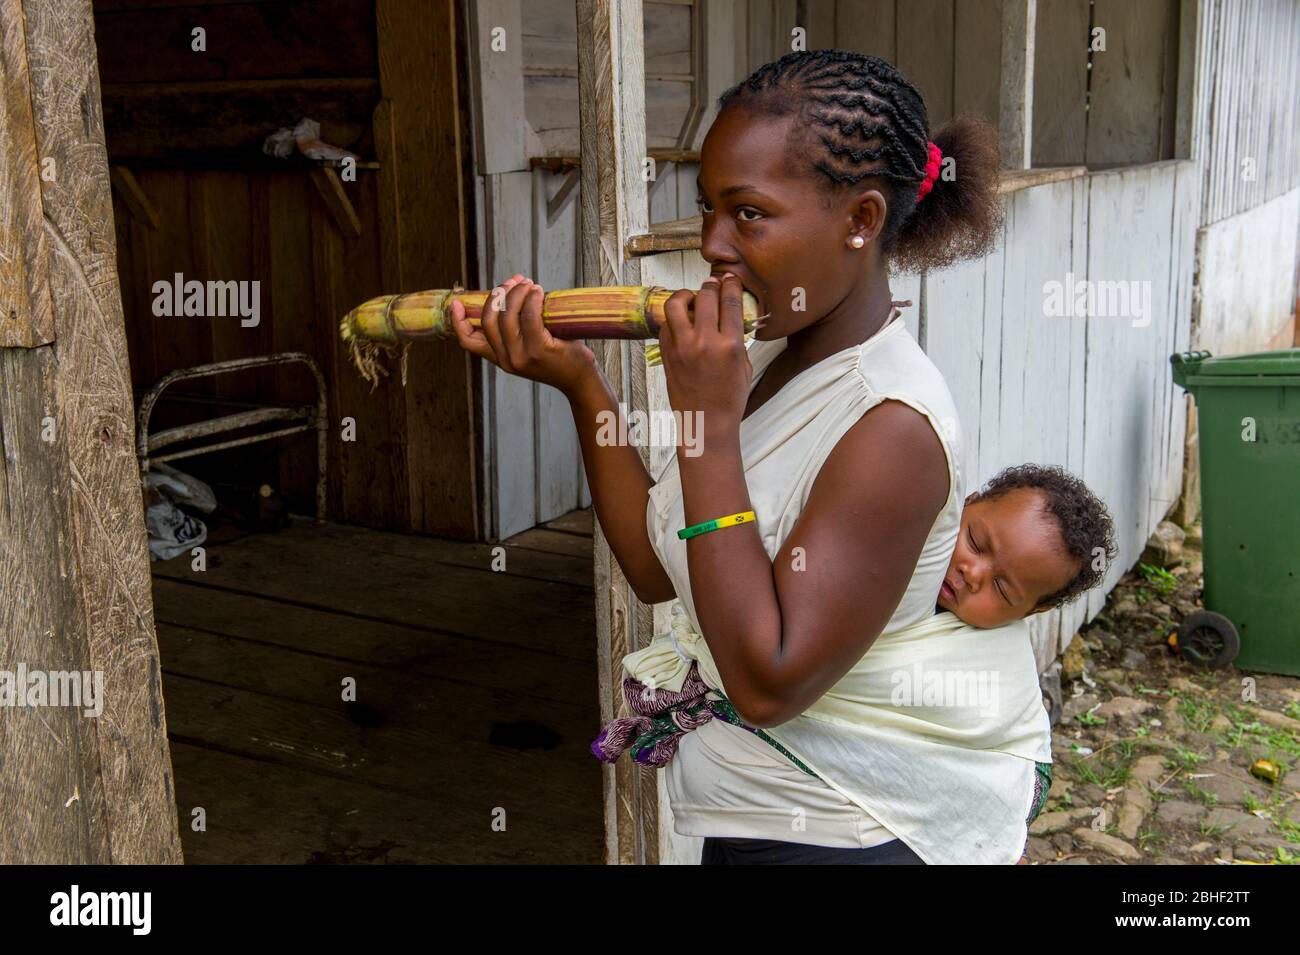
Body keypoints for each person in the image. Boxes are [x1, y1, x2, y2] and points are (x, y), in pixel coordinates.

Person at [451, 50, 1014, 864]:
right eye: (708, 208)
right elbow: (655, 566)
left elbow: (767, 683)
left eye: (748, 214)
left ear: (860, 219)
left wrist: (707, 428)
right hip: (744, 822)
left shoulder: (892, 425)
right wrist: (577, 381)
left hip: (830, 835)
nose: (713, 243)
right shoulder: (772, 361)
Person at [593, 462, 1118, 862]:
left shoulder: (988, 667)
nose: (972, 572)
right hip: (738, 824)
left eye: (1002, 587)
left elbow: (1011, 763)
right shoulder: (874, 549)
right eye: (976, 540)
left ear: (1034, 610)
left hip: (852, 843)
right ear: (965, 501)